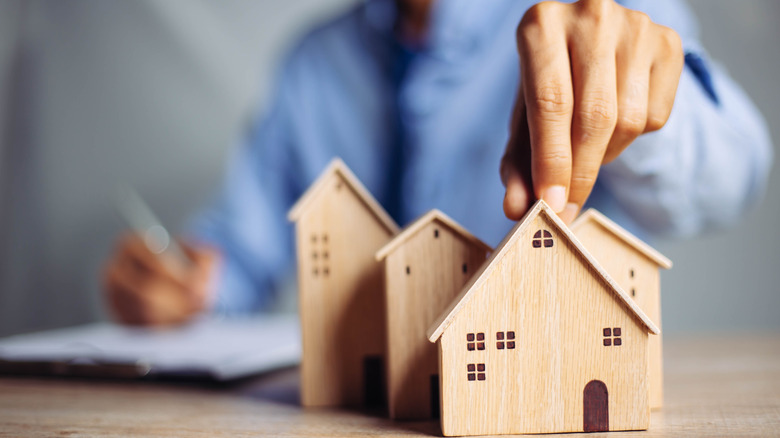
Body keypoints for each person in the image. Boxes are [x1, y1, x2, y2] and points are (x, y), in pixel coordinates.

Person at [103, 0, 772, 325]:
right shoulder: (313, 64)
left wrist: (642, 113)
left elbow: (736, 173)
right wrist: (186, 284)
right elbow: (237, 258)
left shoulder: (595, 16)